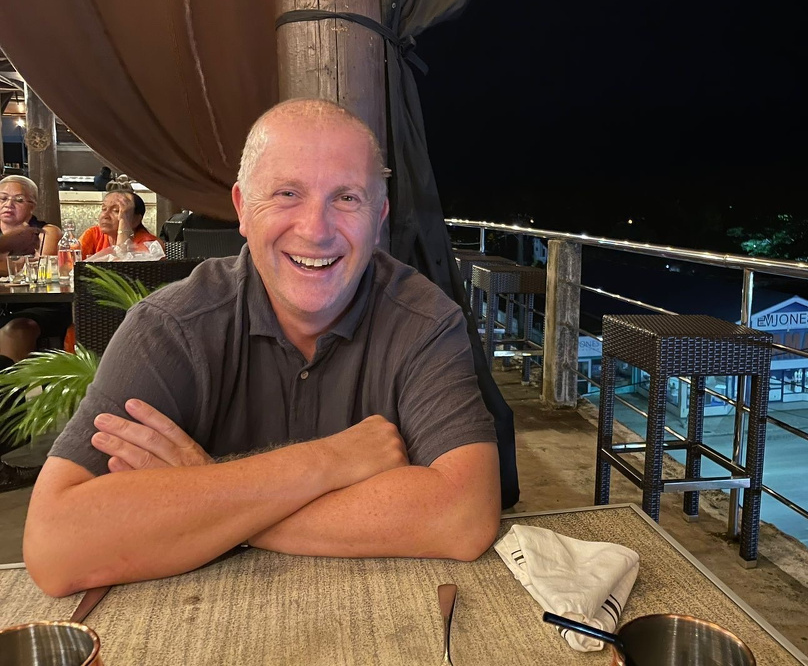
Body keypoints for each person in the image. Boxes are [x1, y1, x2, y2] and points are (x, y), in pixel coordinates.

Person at [24, 98, 501, 597]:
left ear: (378, 218)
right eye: (287, 193)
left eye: (347, 198)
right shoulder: (170, 327)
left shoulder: (423, 319)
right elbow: (57, 546)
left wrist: (204, 490)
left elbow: (463, 515)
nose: (316, 230)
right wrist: (330, 461)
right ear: (242, 210)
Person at [0, 175, 69, 369]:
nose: (9, 204)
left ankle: (13, 392)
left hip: (42, 304)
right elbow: (20, 267)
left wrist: (10, 264)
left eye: (19, 200)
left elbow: (40, 270)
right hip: (4, 305)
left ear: (33, 205)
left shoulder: (47, 231)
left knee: (17, 328)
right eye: (3, 198)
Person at [78, 190, 163, 259]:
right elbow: (69, 262)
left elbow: (122, 268)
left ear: (136, 220)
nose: (105, 215)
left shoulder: (150, 244)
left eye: (116, 211)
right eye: (104, 209)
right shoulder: (94, 234)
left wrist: (123, 226)